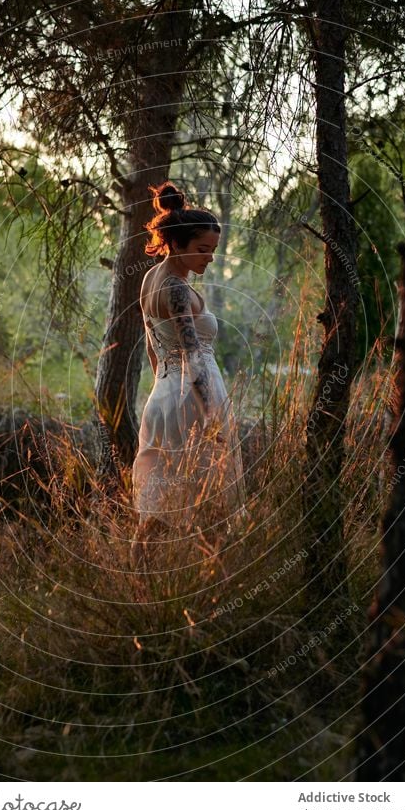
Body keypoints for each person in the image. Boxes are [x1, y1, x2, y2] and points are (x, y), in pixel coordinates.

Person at [131, 180, 246, 555]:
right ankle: (212, 576)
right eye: (201, 249)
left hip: (164, 394)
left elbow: (153, 347)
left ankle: (143, 574)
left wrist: (163, 388)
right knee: (208, 494)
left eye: (213, 250)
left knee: (164, 498)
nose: (209, 258)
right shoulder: (178, 289)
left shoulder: (151, 278)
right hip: (192, 397)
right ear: (176, 244)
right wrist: (212, 414)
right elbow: (193, 353)